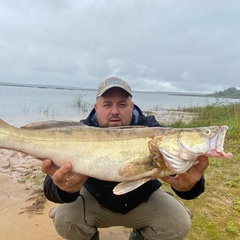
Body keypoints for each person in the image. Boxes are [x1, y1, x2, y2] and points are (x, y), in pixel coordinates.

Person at [42, 77, 209, 240]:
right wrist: (63, 189)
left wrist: (189, 187)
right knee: (65, 220)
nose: (114, 111)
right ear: (96, 107)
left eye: (122, 104)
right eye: (107, 104)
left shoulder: (152, 129)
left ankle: (140, 236)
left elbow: (182, 176)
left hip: (142, 201)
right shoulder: (80, 132)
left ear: (132, 106)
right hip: (94, 200)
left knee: (178, 223)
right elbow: (50, 188)